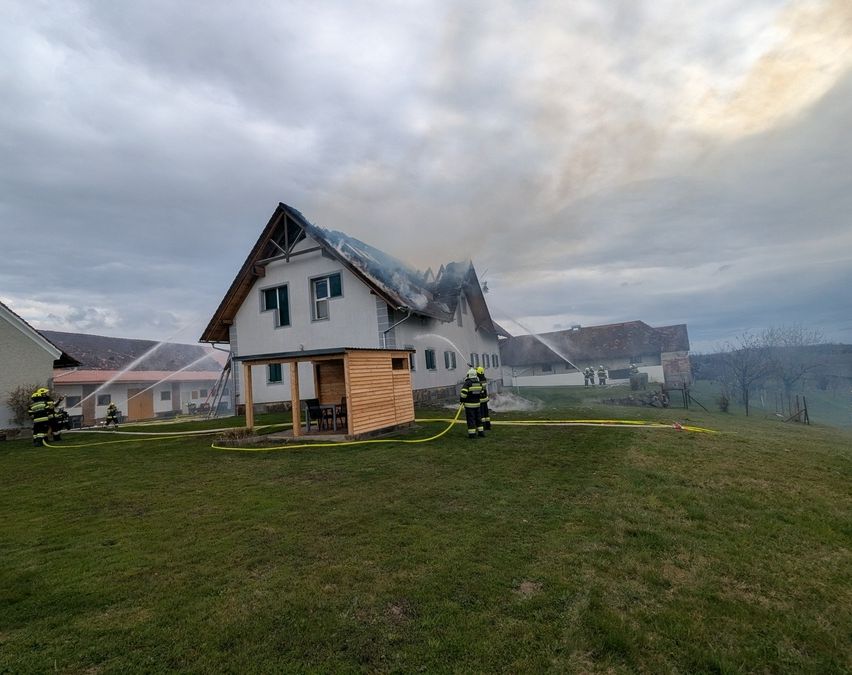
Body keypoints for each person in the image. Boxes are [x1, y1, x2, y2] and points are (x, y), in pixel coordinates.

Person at [460, 367, 485, 439]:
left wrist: (462, 400)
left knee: (471, 419)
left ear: (469, 375)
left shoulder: (468, 383)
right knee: (478, 419)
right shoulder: (479, 383)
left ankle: (472, 434)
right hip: (477, 404)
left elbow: (463, 394)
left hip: (469, 405)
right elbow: (482, 392)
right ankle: (481, 432)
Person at [476, 366, 491, 430]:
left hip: (481, 399)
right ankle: (488, 426)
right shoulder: (483, 378)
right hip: (485, 398)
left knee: (481, 414)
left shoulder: (479, 379)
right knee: (486, 413)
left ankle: (483, 426)